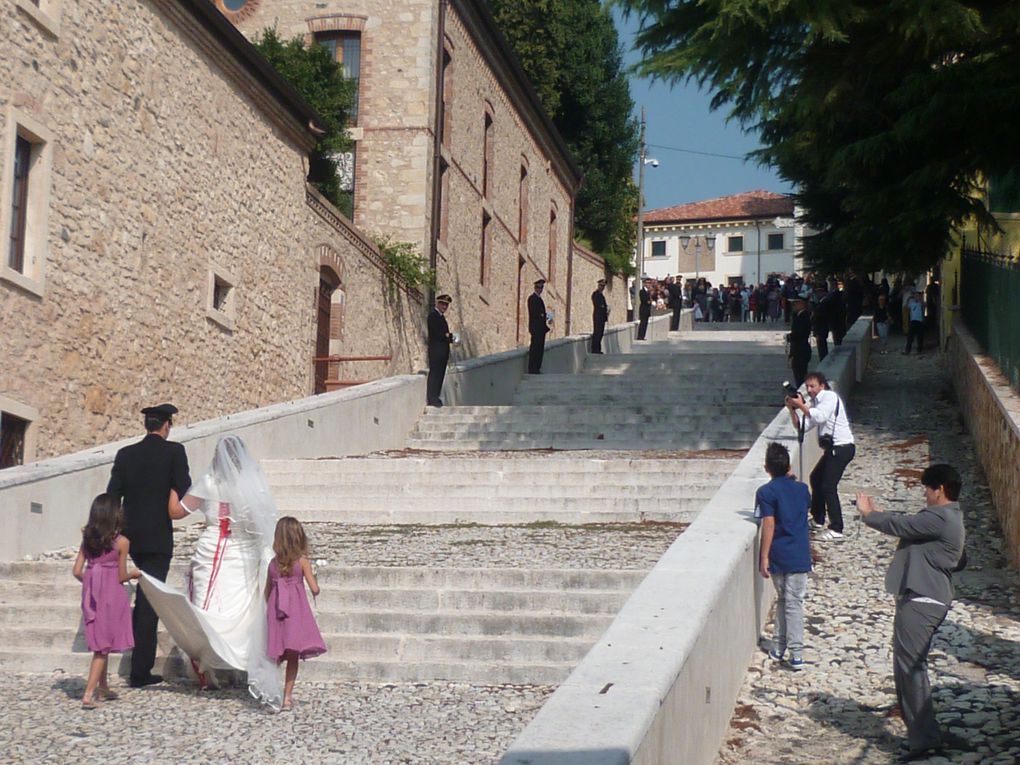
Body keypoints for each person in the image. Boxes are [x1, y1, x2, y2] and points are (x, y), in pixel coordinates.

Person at [141, 435, 282, 708]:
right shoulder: (250, 487)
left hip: (213, 548)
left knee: (206, 607)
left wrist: (172, 486)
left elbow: (176, 512)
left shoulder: (208, 483)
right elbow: (262, 521)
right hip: (243, 552)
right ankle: (233, 663)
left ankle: (206, 665)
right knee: (243, 609)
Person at [856, 465, 967, 760]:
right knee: (906, 666)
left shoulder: (939, 517)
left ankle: (925, 741)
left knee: (911, 668)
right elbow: (907, 524)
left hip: (923, 600)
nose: (925, 494)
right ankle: (921, 731)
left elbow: (903, 526)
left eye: (927, 489)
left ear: (939, 489)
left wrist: (869, 514)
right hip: (923, 598)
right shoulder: (948, 516)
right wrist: (881, 514)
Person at [106, 402, 191, 688]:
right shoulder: (174, 452)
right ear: (167, 425)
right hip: (157, 538)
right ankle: (140, 671)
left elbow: (112, 495)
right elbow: (183, 484)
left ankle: (118, 655)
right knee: (148, 602)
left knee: (131, 597)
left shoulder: (125, 454)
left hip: (129, 536)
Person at [73, 494, 140, 708]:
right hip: (112, 596)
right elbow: (121, 576)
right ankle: (88, 694)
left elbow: (76, 571)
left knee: (103, 642)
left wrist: (92, 582)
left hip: (92, 597)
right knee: (102, 648)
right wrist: (134, 574)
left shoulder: (87, 539)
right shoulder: (122, 542)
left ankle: (103, 688)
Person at [756, 443, 812, 671]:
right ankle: (786, 648)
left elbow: (768, 523)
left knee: (785, 600)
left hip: (779, 553)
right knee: (793, 601)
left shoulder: (765, 492)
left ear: (766, 467)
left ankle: (789, 649)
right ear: (788, 465)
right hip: (799, 553)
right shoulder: (802, 489)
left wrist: (763, 556)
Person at [785, 371, 855, 540]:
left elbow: (821, 416)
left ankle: (837, 528)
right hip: (832, 449)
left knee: (828, 487)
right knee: (815, 478)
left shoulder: (829, 397)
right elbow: (802, 426)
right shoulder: (815, 403)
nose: (809, 390)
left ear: (822, 386)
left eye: (813, 386)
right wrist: (792, 410)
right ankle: (818, 518)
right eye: (807, 386)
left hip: (842, 447)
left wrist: (802, 406)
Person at [266, 516, 327, 711]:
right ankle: (287, 697)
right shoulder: (302, 562)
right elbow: (315, 588)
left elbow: (266, 593)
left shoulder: (272, 565)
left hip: (276, 614)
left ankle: (270, 691)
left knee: (275, 654)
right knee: (292, 656)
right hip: (295, 613)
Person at [426, 293, 454, 407]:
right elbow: (436, 333)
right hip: (436, 351)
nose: (444, 307)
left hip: (442, 352)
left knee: (440, 374)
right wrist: (447, 336)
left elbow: (445, 335)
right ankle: (432, 398)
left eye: (446, 305)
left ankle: (436, 397)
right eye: (442, 304)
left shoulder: (442, 318)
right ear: (438, 303)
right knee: (435, 374)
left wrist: (450, 337)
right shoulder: (433, 316)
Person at [787, 296, 812, 388]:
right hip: (798, 349)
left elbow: (800, 333)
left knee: (800, 376)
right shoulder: (798, 315)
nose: (793, 306)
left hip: (800, 350)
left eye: (795, 304)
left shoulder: (803, 316)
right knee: (798, 375)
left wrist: (790, 336)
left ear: (802, 304)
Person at [527, 279, 551, 373]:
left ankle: (537, 367)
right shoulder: (532, 299)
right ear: (535, 288)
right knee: (535, 347)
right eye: (538, 287)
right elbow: (534, 313)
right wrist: (542, 315)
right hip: (536, 328)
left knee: (540, 348)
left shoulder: (540, 299)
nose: (540, 289)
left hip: (541, 328)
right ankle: (532, 368)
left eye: (541, 288)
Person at [591, 278, 609, 354]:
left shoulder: (601, 295)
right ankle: (595, 349)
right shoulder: (595, 294)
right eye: (601, 285)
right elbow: (598, 305)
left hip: (602, 317)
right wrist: (603, 308)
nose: (602, 287)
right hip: (598, 316)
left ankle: (598, 349)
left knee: (600, 333)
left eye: (603, 286)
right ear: (598, 285)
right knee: (597, 332)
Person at [904, 290, 925, 355]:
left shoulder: (921, 303)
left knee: (920, 337)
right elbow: (906, 306)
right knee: (910, 337)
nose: (916, 297)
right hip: (913, 321)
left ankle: (919, 350)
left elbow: (923, 306)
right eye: (915, 296)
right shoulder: (911, 304)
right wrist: (909, 298)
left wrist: (920, 299)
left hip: (919, 321)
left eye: (917, 295)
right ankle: (907, 350)